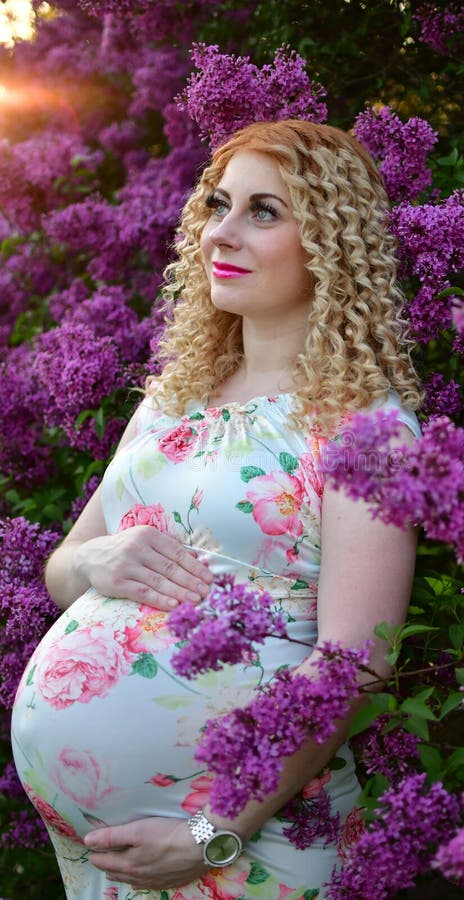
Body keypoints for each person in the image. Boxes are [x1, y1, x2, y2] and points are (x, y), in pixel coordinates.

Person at [11, 118, 422, 898]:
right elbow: (63, 568)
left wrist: (211, 831)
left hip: (244, 853)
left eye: (264, 211)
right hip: (102, 862)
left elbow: (356, 663)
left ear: (330, 243)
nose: (220, 234)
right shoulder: (172, 401)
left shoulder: (367, 431)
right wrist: (96, 560)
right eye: (217, 204)